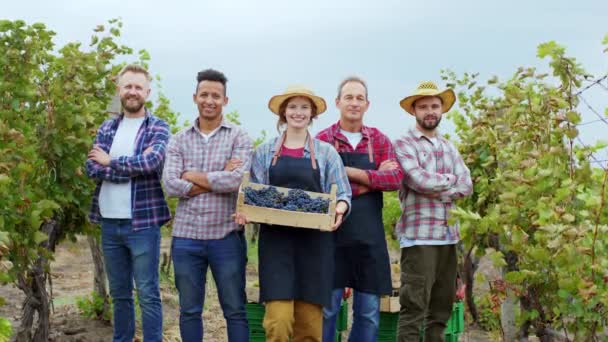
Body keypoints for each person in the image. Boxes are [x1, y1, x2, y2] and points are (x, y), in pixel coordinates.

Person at [235, 85, 352, 342]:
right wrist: (245, 211)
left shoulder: (326, 153)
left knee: (310, 328)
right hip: (276, 244)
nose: (298, 112)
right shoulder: (265, 152)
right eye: (292, 107)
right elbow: (253, 192)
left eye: (304, 107)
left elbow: (343, 194)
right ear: (283, 112)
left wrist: (339, 210)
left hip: (315, 246)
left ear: (312, 114)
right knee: (278, 322)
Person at [162, 69, 253, 341]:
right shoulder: (178, 139)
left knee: (235, 309)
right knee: (189, 310)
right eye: (204, 94)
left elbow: (238, 180)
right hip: (186, 237)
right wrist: (218, 175)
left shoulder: (239, 137)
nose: (209, 100)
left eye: (216, 95)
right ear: (195, 97)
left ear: (225, 100)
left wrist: (191, 176)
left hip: (225, 236)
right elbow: (170, 184)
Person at [86, 64, 170, 342]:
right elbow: (91, 168)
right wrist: (129, 168)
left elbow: (152, 161)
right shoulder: (107, 127)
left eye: (138, 87)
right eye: (127, 86)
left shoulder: (158, 126)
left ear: (147, 92)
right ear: (119, 90)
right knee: (119, 293)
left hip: (143, 223)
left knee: (147, 292)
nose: (132, 92)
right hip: (109, 221)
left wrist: (110, 161)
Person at [316, 76, 403, 342]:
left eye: (359, 98)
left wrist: (344, 172)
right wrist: (371, 179)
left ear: (367, 104)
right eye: (349, 97)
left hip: (369, 239)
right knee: (328, 310)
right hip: (331, 235)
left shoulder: (379, 139)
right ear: (338, 102)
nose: (354, 103)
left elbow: (395, 179)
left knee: (368, 313)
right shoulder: (322, 140)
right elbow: (319, 183)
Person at [394, 81, 473, 341]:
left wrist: (438, 185)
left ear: (442, 110)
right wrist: (451, 182)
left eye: (435, 106)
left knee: (441, 310)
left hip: (449, 237)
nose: (430, 111)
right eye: (424, 106)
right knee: (413, 308)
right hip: (419, 238)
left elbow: (468, 185)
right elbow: (418, 180)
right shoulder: (404, 144)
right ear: (414, 111)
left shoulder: (450, 147)